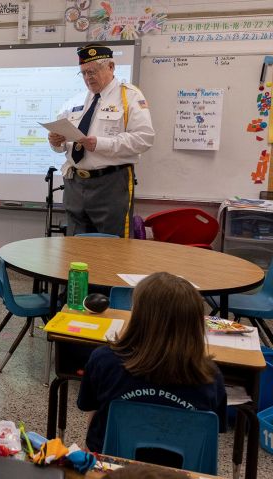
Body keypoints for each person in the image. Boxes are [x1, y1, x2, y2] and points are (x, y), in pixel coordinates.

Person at [77, 272, 227, 453]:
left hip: (112, 469)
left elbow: (91, 412)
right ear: (195, 324)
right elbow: (209, 432)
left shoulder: (104, 360)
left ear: (138, 316)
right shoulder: (210, 375)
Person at [47, 44, 155, 237]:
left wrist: (100, 144)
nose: (88, 78)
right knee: (75, 245)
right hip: (75, 183)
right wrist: (56, 142)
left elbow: (144, 139)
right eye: (84, 73)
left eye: (93, 71)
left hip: (110, 184)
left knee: (112, 248)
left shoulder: (129, 96)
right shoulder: (75, 101)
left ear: (111, 67)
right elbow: (63, 146)